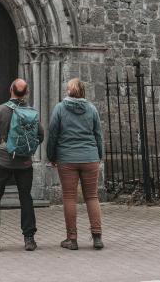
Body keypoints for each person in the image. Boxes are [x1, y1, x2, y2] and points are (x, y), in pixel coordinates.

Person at [0, 78, 44, 252]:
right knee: (25, 197)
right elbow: (40, 136)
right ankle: (29, 239)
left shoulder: (0, 110)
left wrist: (3, 144)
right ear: (27, 93)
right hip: (25, 162)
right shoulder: (32, 113)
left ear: (10, 90)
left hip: (3, 160)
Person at [47, 78, 104, 250]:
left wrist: (51, 156)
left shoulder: (59, 108)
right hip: (90, 157)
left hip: (67, 158)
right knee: (92, 196)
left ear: (69, 91)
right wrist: (98, 155)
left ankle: (72, 239)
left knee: (69, 197)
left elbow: (53, 134)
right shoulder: (91, 108)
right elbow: (98, 135)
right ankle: (97, 237)